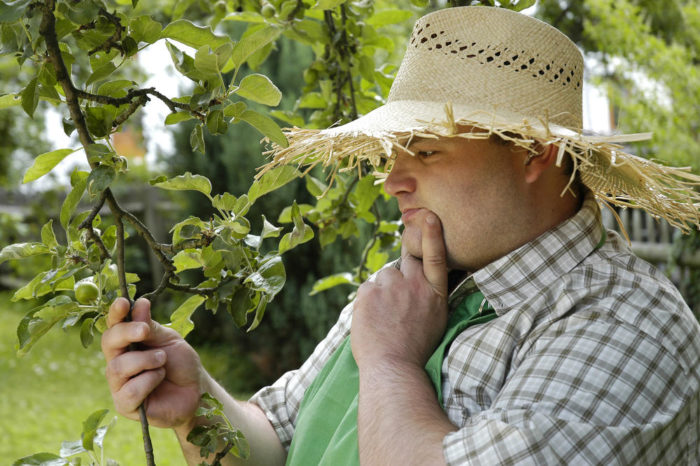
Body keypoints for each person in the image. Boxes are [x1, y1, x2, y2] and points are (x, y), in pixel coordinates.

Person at [102, 6, 700, 465]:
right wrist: (198, 403)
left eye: (426, 150)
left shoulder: (628, 321)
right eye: (394, 152)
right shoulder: (411, 286)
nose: (392, 181)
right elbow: (276, 439)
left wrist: (390, 363)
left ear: (532, 153)